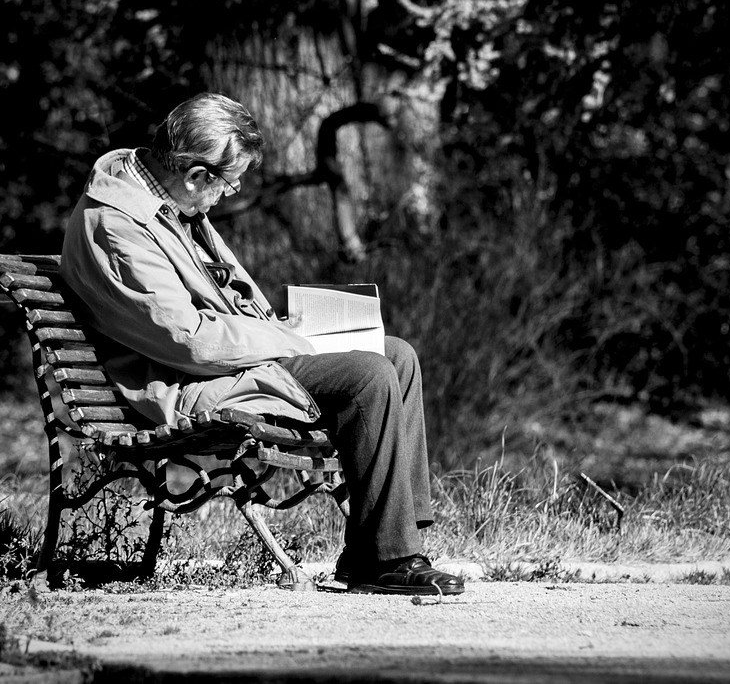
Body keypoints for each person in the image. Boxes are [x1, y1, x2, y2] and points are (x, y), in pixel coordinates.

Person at [59, 92, 464, 596]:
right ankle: (390, 557)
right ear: (195, 175)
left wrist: (284, 327)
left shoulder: (166, 200)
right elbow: (189, 341)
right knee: (369, 374)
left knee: (397, 354)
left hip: (227, 361)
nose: (232, 193)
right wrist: (287, 336)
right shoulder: (119, 226)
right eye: (231, 182)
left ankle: (381, 548)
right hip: (183, 382)